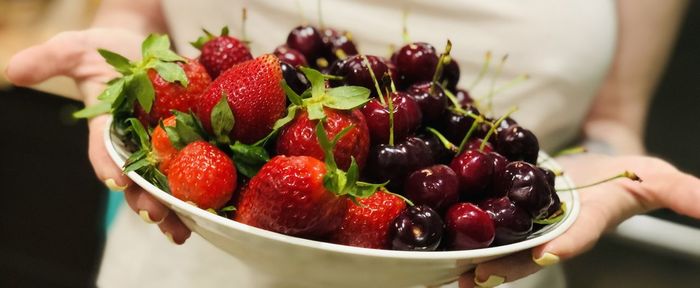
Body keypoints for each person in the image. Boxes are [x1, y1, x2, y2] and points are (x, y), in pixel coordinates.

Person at [6, 0, 698, 287]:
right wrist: (136, 65)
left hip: (472, 269)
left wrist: (587, 179)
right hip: (196, 249)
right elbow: (138, 10)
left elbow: (615, 114)